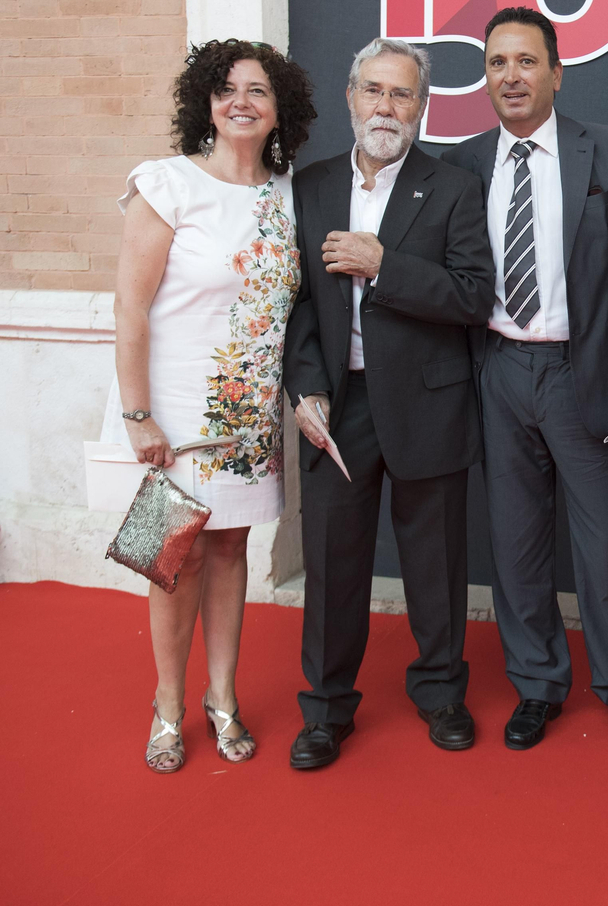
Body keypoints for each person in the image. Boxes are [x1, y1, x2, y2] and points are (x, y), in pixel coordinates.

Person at [441, 7, 608, 752]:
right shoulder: (464, 162)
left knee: (603, 546)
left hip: (585, 370)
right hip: (500, 370)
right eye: (498, 62)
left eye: (526, 61)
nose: (511, 75)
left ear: (557, 73)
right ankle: (536, 684)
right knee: (517, 544)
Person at [282, 38, 494, 769]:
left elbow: (473, 296)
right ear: (350, 97)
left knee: (434, 564)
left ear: (424, 107)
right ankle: (326, 711)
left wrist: (385, 266)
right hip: (337, 409)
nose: (386, 107)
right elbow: (298, 305)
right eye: (373, 90)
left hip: (428, 405)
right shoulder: (308, 188)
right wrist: (304, 387)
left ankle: (440, 695)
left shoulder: (453, 186)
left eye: (402, 95)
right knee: (333, 565)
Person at [109, 38, 316, 772]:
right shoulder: (167, 183)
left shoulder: (289, 193)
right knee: (175, 556)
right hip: (171, 412)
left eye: (258, 90)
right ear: (206, 100)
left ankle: (221, 697)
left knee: (230, 547)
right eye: (226, 88)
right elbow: (130, 308)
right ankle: (168, 703)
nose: (241, 101)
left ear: (279, 109)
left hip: (250, 412)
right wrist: (138, 416)